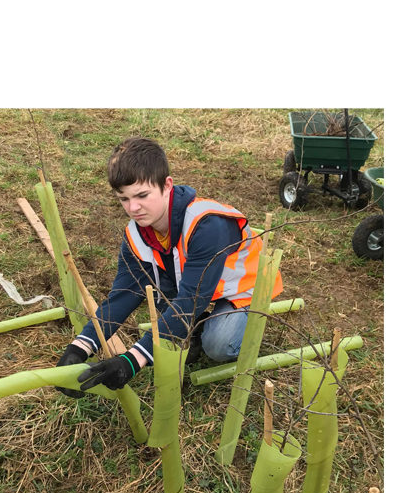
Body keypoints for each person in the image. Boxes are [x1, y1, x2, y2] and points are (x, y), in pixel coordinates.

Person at [56, 138, 282, 396]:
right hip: (194, 289)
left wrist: (132, 360)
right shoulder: (136, 235)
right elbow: (125, 295)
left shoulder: (207, 225)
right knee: (167, 316)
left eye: (142, 195)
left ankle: (235, 329)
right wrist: (79, 348)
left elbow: (191, 300)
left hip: (244, 291)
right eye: (124, 199)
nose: (133, 208)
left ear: (167, 185)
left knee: (218, 345)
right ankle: (194, 329)